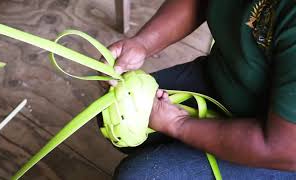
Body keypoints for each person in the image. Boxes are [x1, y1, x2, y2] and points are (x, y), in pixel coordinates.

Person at [108, 0, 296, 179]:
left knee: (141, 176)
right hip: (225, 76)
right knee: (114, 113)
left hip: (278, 146)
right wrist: (144, 43)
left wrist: (179, 124)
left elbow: (281, 148)